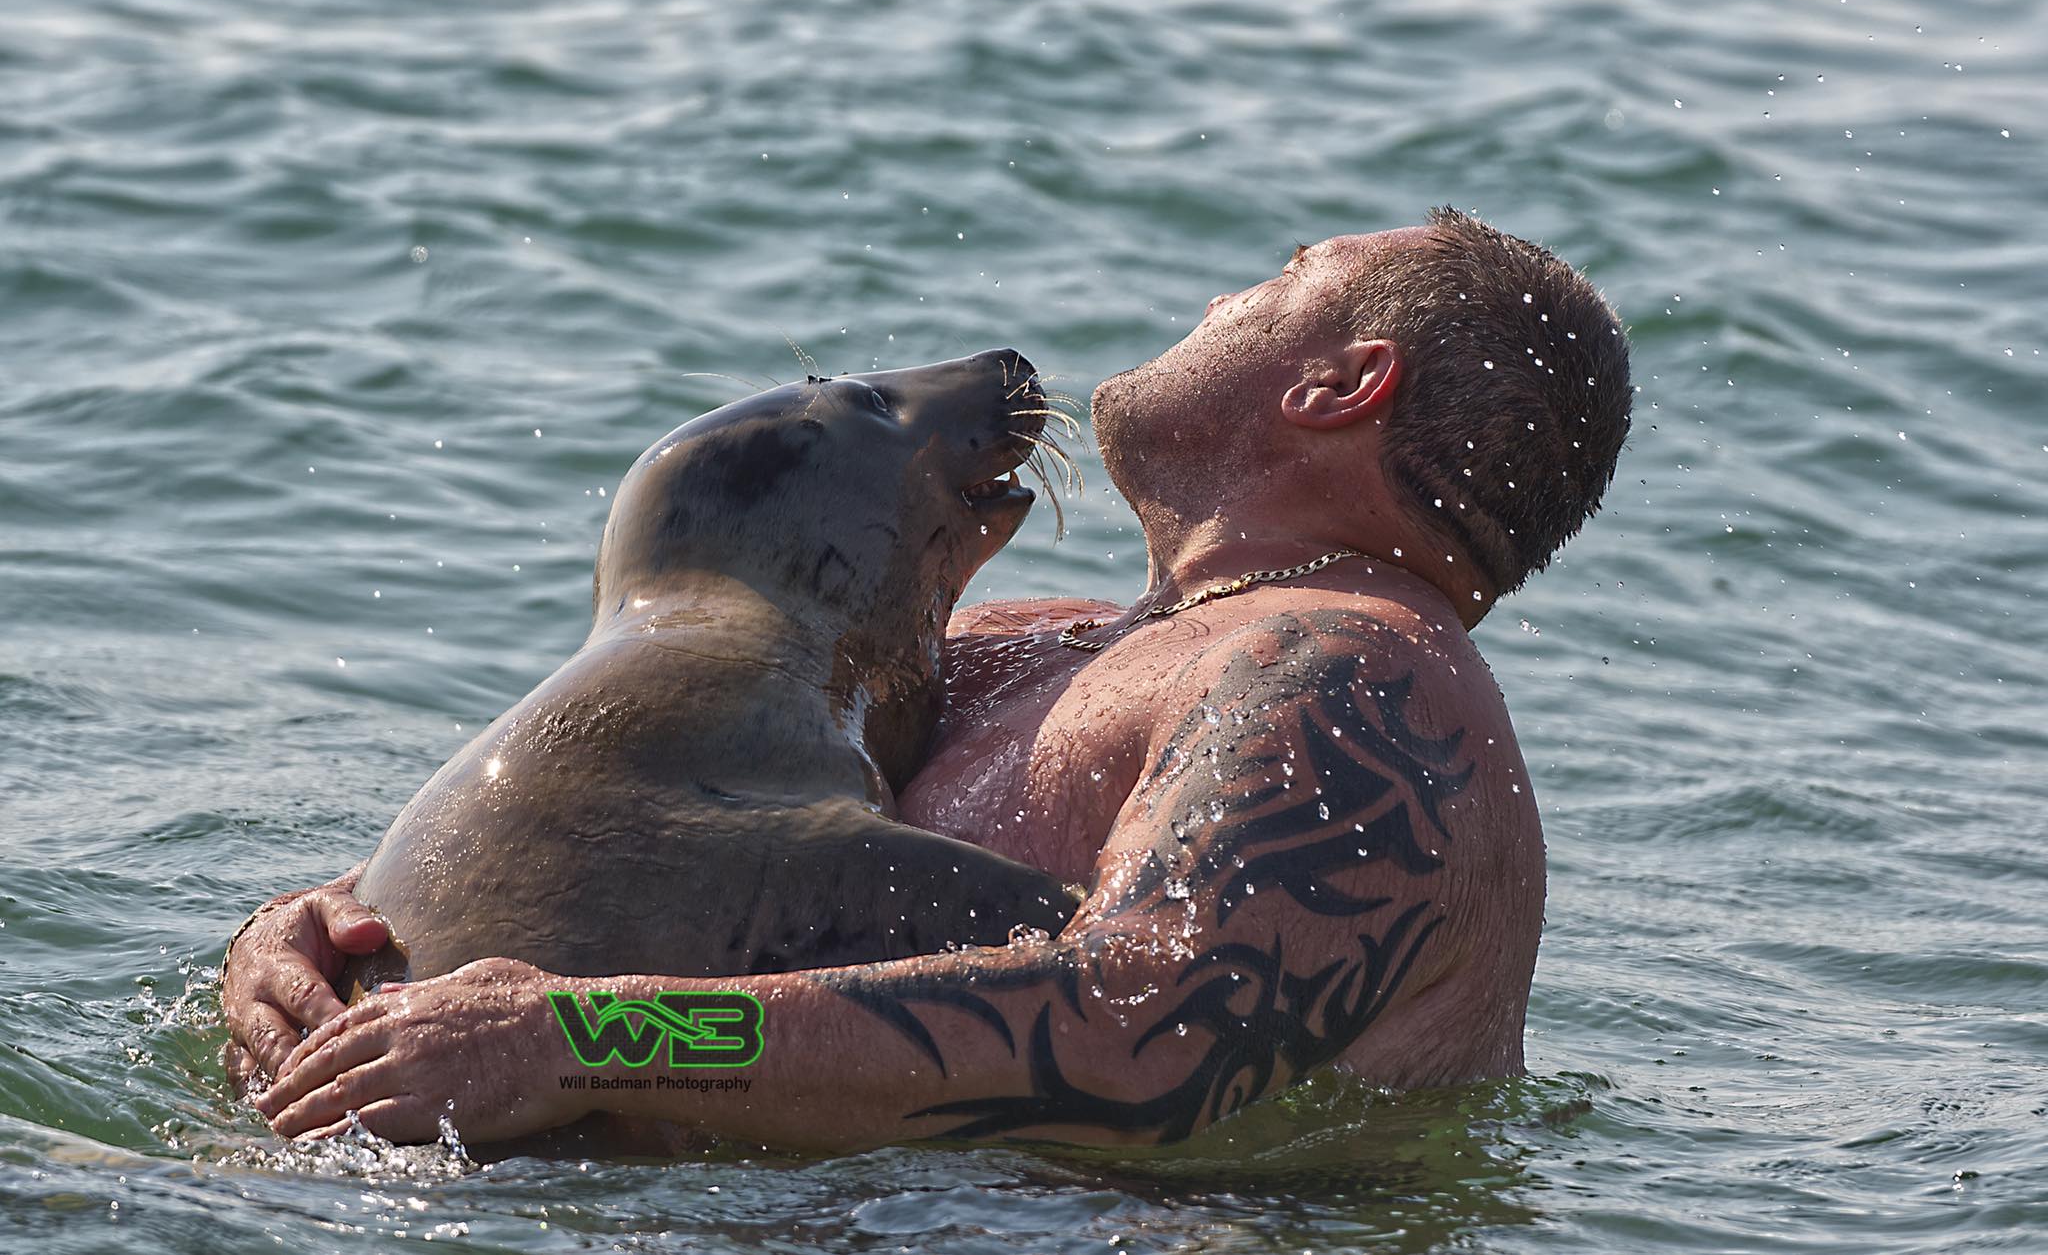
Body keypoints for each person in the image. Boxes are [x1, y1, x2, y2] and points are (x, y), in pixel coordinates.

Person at [228, 208, 1631, 1150]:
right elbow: (626, 834)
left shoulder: (1355, 679)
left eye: (1272, 282)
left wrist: (587, 1032)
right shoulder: (1043, 642)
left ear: (1341, 384)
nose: (1220, 294)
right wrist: (334, 944)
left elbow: (1145, 1032)